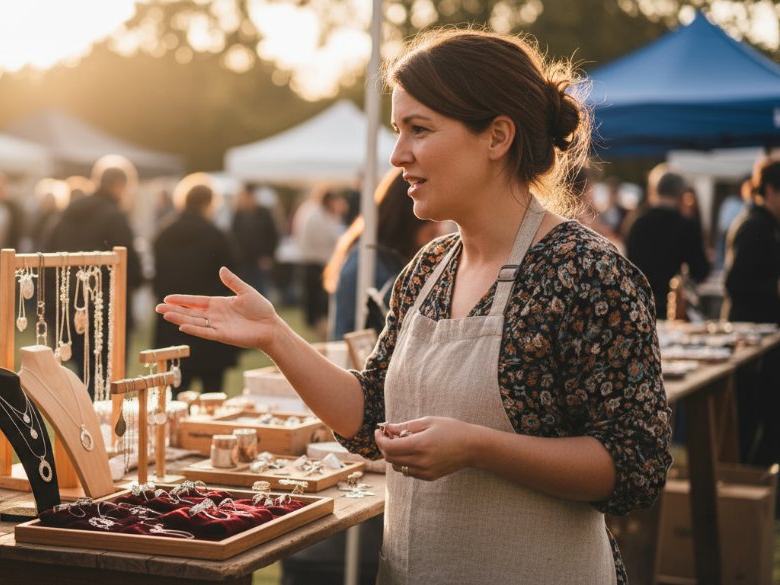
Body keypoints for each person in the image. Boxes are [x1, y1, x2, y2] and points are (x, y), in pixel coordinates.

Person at [158, 27, 672, 585]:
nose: (399, 155)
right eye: (398, 131)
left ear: (497, 136)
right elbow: (370, 415)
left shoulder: (587, 274)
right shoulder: (427, 270)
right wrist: (276, 336)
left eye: (419, 130)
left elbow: (633, 468)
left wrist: (479, 447)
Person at [47, 154, 143, 396]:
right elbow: (132, 268)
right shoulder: (115, 217)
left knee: (80, 376)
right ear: (118, 185)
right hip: (108, 310)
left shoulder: (66, 215)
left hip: (71, 307)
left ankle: (78, 428)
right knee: (107, 379)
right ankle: (99, 430)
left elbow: (48, 257)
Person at [323, 168, 447, 340]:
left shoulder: (385, 260)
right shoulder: (369, 267)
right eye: (430, 219)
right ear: (406, 216)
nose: (438, 228)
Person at [153, 174, 238, 394]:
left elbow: (156, 278)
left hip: (173, 321)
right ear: (209, 202)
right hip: (208, 323)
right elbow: (232, 280)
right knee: (212, 396)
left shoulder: (163, 233)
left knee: (173, 395)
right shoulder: (217, 235)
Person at [723, 160, 780, 466]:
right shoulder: (754, 225)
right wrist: (775, 288)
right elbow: (735, 283)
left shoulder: (765, 223)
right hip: (752, 344)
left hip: (760, 340)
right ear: (770, 190)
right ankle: (754, 487)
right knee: (760, 421)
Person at [624, 166, 710, 319]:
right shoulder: (686, 225)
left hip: (639, 305)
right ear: (680, 193)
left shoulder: (636, 222)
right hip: (673, 306)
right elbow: (701, 270)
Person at [292, 186, 345, 334]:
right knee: (319, 306)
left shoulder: (307, 210)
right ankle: (321, 332)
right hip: (318, 264)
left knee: (313, 305)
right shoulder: (319, 216)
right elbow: (334, 239)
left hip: (309, 262)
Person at [231, 183, 280, 298]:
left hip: (260, 260)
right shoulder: (238, 214)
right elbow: (234, 237)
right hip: (243, 260)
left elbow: (273, 235)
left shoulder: (264, 213)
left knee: (260, 290)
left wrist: (268, 255)